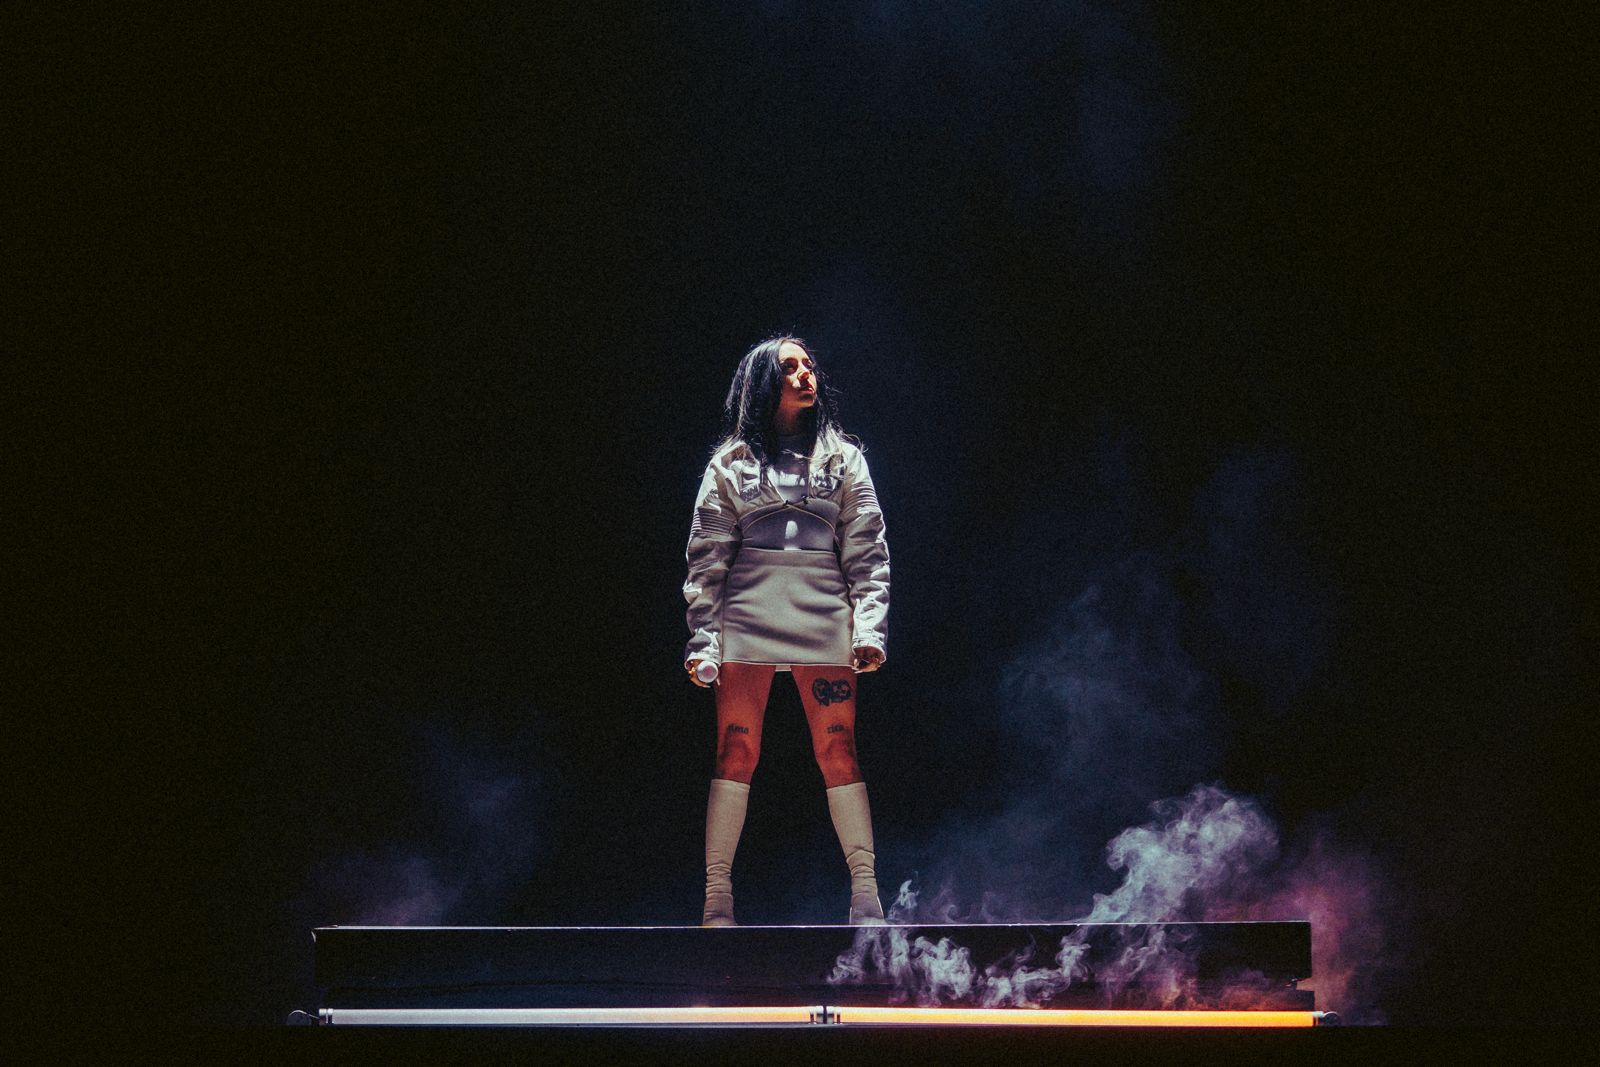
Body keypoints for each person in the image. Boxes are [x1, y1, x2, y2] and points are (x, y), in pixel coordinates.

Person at [683, 336, 890, 927]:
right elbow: (707, 558)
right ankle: (717, 899)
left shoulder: (844, 458)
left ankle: (866, 896)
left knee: (839, 749)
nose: (805, 375)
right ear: (763, 384)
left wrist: (869, 628)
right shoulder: (729, 465)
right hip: (747, 617)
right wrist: (704, 640)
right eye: (790, 368)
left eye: (808, 366)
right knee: (736, 749)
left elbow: (868, 551)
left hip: (823, 614)